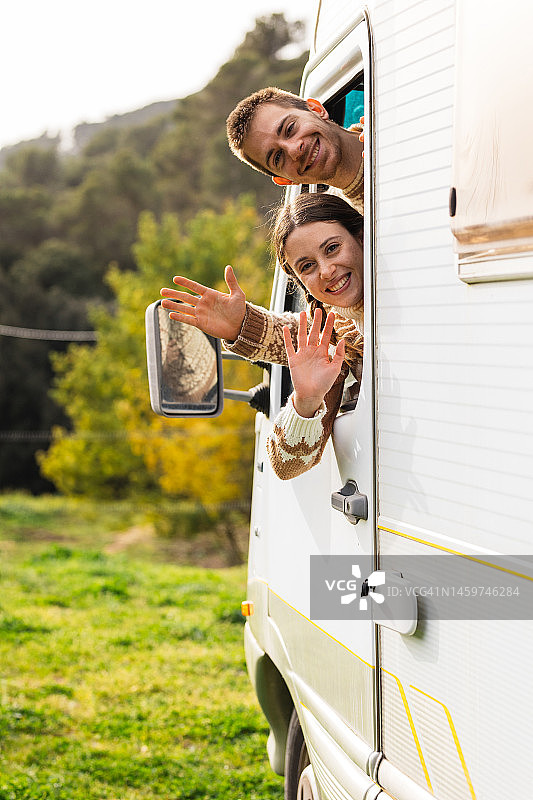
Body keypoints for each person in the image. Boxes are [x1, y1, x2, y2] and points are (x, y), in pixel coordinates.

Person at [160, 192, 364, 480]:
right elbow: (287, 467)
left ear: (361, 237)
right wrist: (306, 400)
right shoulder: (332, 340)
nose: (327, 271)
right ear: (301, 283)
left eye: (332, 248)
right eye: (307, 266)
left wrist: (244, 324)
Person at [226, 88, 364, 213]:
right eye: (278, 157)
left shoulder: (383, 114)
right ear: (285, 180)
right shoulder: (341, 224)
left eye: (290, 128)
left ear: (316, 110)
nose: (294, 150)